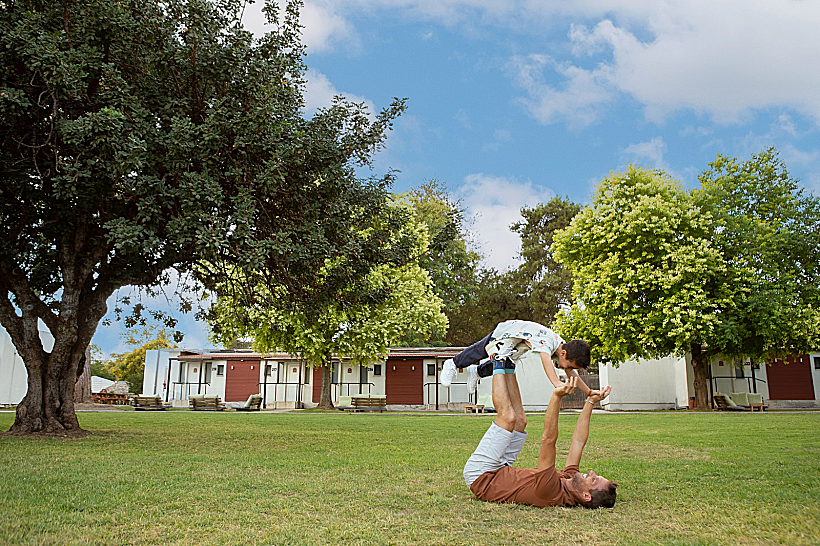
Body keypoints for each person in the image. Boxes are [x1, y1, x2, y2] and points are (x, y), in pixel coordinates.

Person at [463, 373, 617, 509]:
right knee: (520, 422)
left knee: (507, 418)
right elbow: (578, 441)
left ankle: (496, 360)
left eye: (594, 479)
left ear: (586, 496)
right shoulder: (570, 480)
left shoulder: (551, 492)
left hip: (481, 476)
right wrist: (591, 401)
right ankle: (509, 365)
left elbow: (548, 440)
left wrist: (556, 397)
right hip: (500, 469)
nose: (591, 473)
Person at [440, 319, 594, 396]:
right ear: (564, 354)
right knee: (482, 350)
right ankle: (453, 363)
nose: (566, 369)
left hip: (517, 343)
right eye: (568, 366)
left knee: (503, 362)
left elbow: (572, 374)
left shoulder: (561, 348)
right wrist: (556, 382)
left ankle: (477, 372)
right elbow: (545, 360)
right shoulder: (548, 342)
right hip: (508, 331)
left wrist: (588, 392)